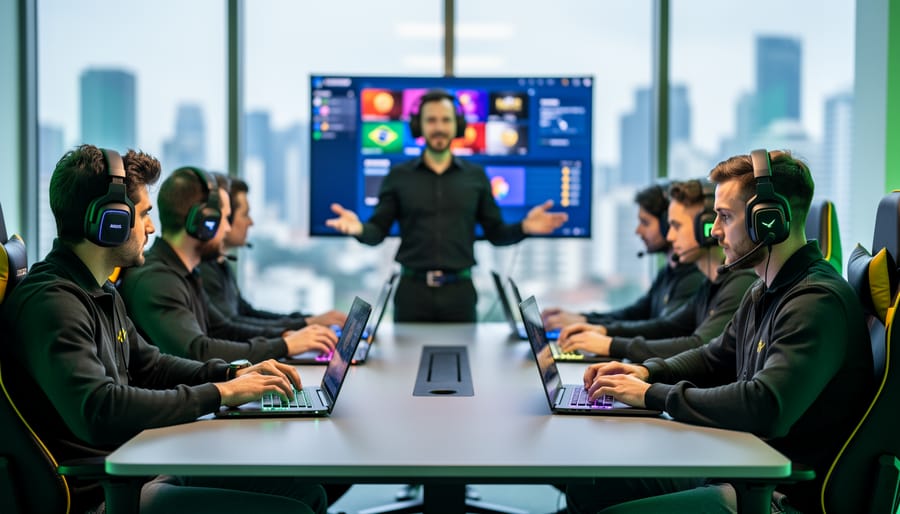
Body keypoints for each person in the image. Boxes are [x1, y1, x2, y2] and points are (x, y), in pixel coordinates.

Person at [0, 145, 326, 514]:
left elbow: (152, 365)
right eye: (143, 214)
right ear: (111, 221)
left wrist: (232, 374)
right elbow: (100, 410)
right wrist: (220, 393)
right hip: (105, 495)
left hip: (138, 467)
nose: (151, 228)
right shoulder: (52, 304)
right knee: (292, 511)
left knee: (305, 493)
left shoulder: (101, 291)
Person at [565, 150, 874, 513]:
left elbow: (765, 406)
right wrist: (646, 372)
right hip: (740, 466)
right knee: (591, 488)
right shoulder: (763, 290)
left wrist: (651, 395)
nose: (714, 231)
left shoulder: (815, 301)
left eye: (725, 217)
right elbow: (713, 356)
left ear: (768, 222)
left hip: (777, 495)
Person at [325, 89, 568, 322]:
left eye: (446, 120)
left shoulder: (475, 176)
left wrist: (524, 227)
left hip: (460, 295)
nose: (439, 127)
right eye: (431, 120)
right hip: (411, 294)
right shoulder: (399, 176)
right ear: (419, 126)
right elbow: (377, 231)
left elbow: (496, 233)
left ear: (457, 125)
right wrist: (359, 229)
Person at [119, 166, 338, 362]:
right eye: (223, 218)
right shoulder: (156, 281)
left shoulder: (185, 273)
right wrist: (284, 345)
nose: (227, 228)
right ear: (203, 223)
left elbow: (223, 328)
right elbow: (197, 351)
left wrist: (286, 338)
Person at [556, 179, 757, 361]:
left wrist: (610, 344)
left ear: (705, 228)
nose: (670, 236)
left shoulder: (738, 283)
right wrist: (602, 332)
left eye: (676, 226)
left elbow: (699, 346)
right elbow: (666, 326)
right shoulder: (710, 284)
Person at [542, 182, 704, 330]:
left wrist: (602, 333)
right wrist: (582, 319)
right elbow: (634, 314)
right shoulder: (667, 273)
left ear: (665, 224)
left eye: (645, 223)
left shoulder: (693, 278)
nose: (638, 231)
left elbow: (662, 330)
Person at [198, 175, 347, 336]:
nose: (250, 222)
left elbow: (246, 313)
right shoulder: (204, 271)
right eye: (245, 214)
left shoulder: (221, 265)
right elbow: (229, 329)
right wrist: (289, 337)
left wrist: (306, 322)